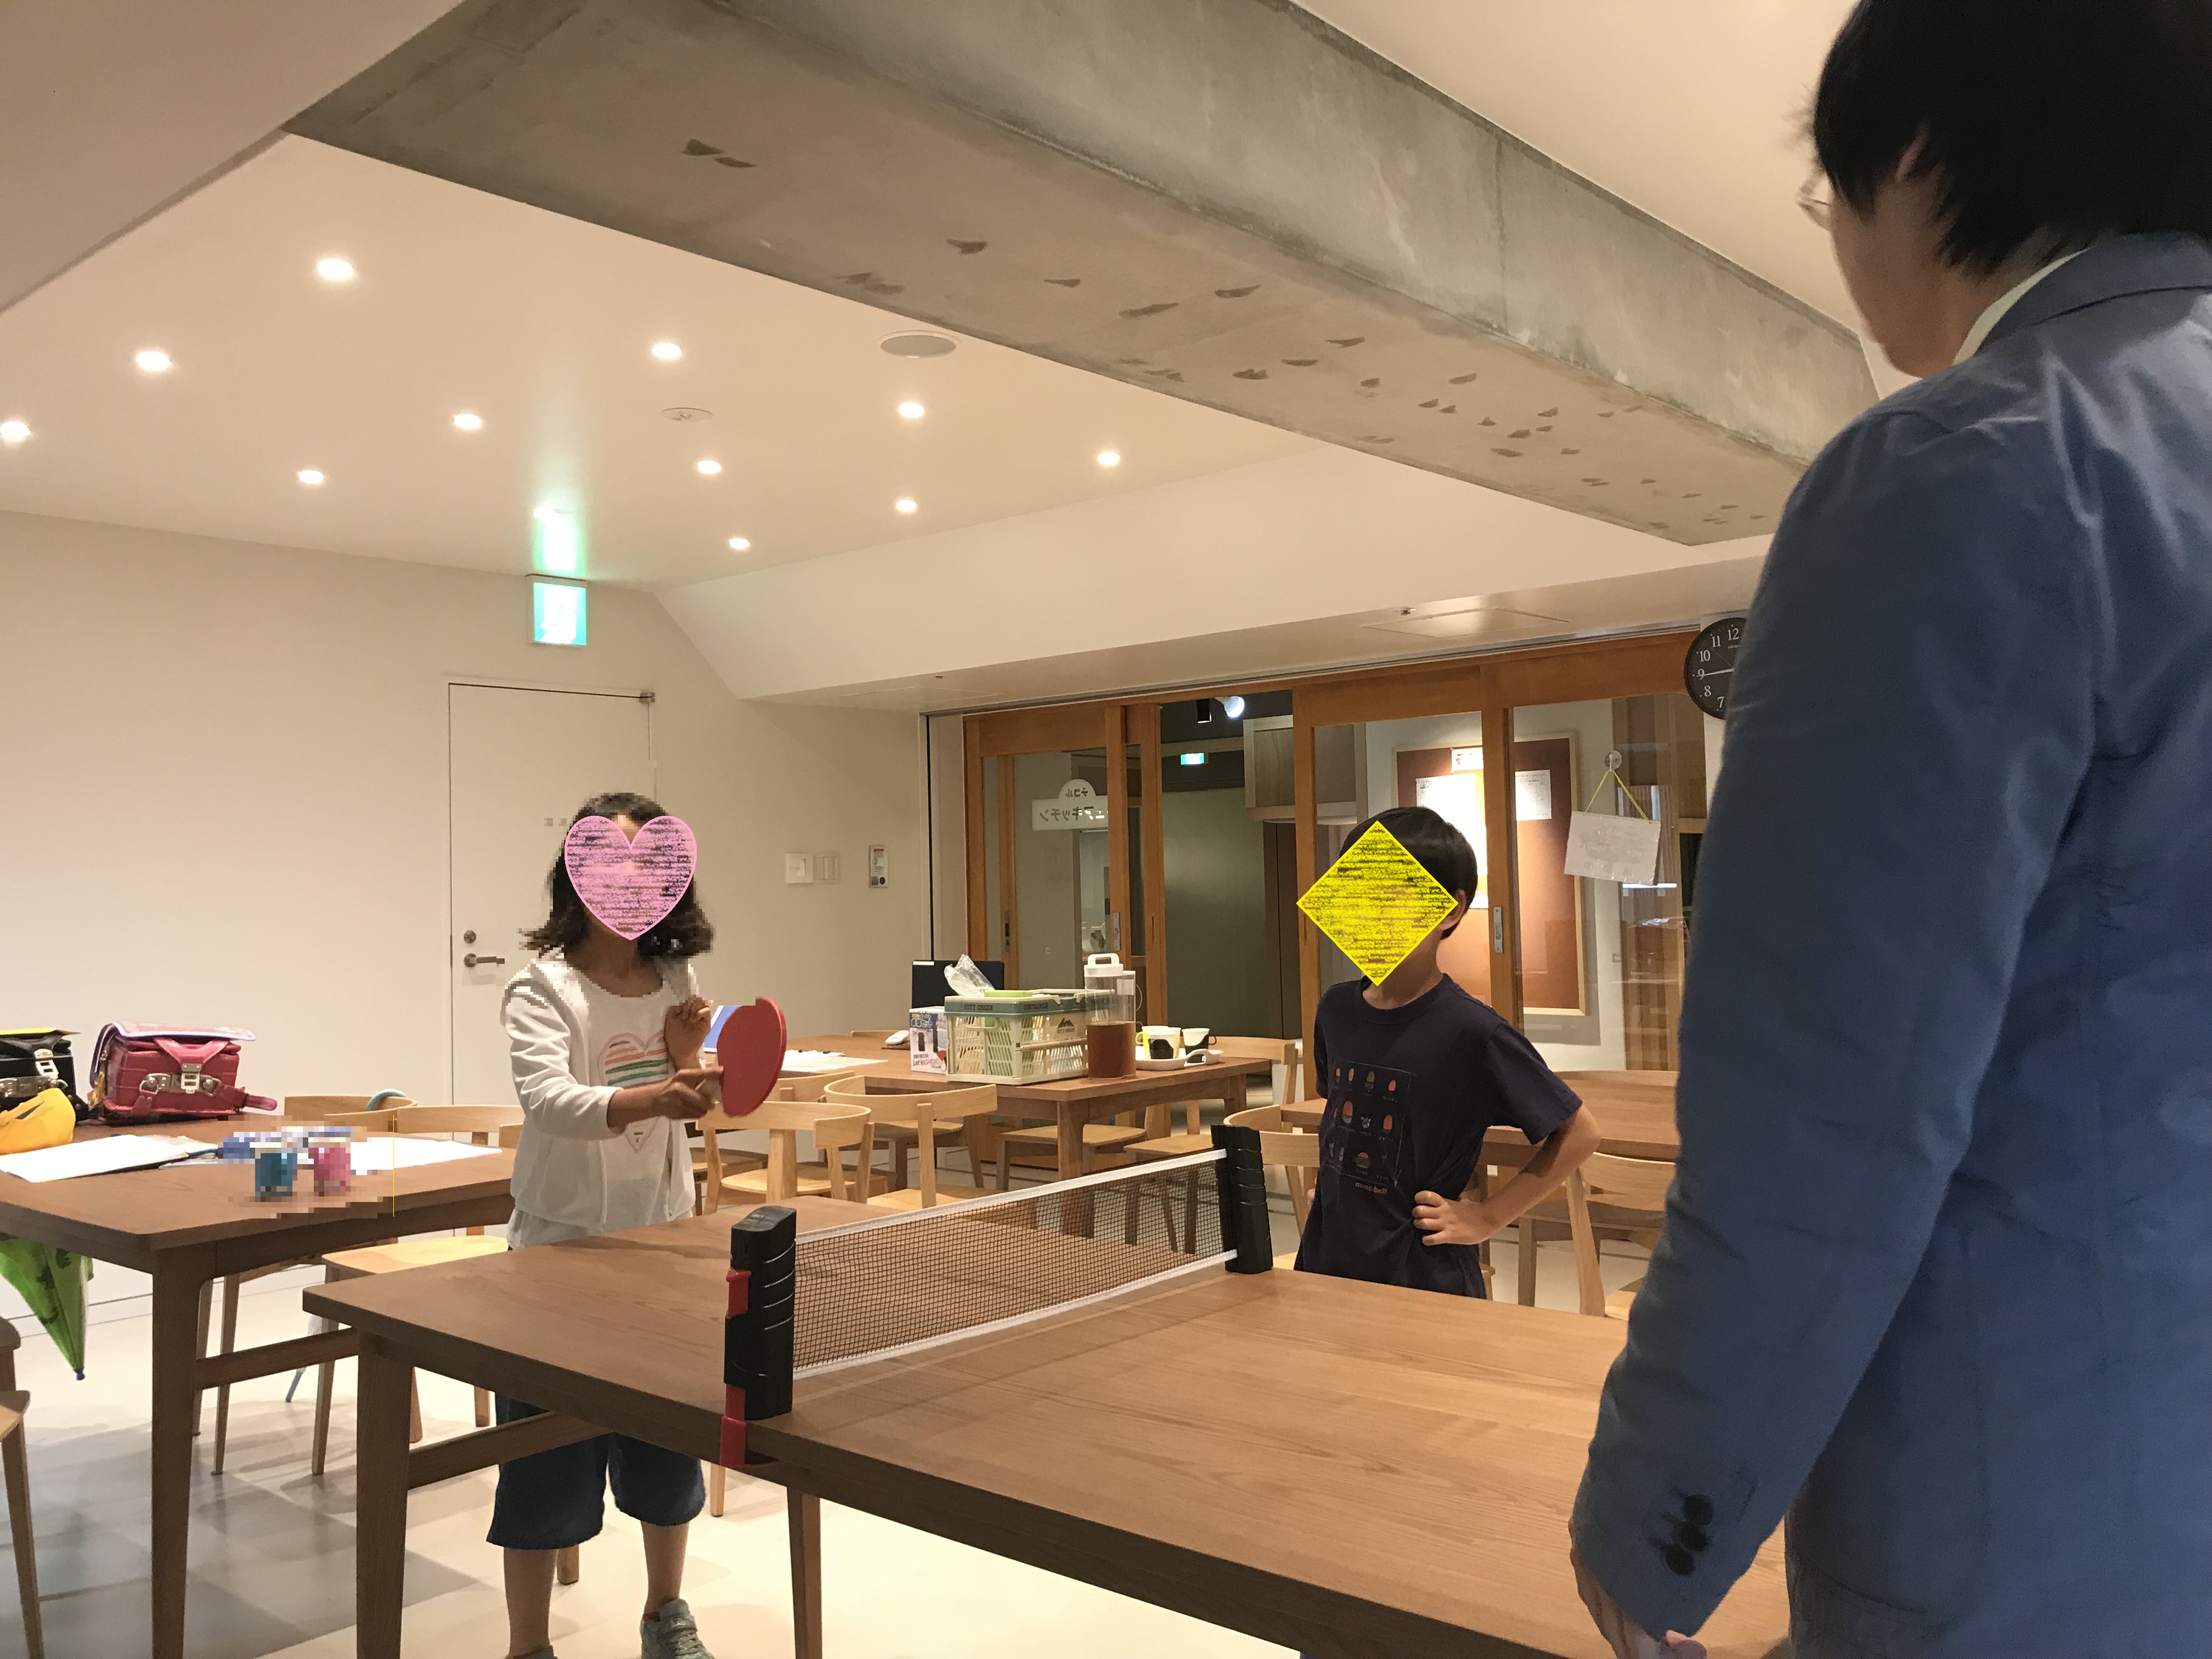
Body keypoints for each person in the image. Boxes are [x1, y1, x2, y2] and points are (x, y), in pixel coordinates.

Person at [1568, 3, 2212, 1656]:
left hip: (2054, 1520)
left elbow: (1826, 1106)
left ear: (1914, 162)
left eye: (1828, 196)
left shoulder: (1973, 469)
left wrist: (1659, 1511)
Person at [496, 792, 724, 1659]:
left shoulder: (676, 980)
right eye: (612, 862)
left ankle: (665, 1614)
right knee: (543, 1462)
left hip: (660, 1241)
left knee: (667, 1451)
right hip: (559, 1250)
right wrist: (656, 1095)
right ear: (577, 873)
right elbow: (549, 1101)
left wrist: (689, 1063)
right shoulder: (542, 987)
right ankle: (528, 1646)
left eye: (650, 866)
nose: (631, 881)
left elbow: (680, 1095)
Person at [1294, 806, 1600, 1297]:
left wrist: (1489, 1217)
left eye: (1387, 896)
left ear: (1450, 911)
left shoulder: (1473, 1030)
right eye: (1356, 893)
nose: (1367, 911)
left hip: (1422, 1273)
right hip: (1326, 1260)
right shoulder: (1335, 1009)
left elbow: (1579, 1132)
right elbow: (1342, 1119)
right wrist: (1336, 1191)